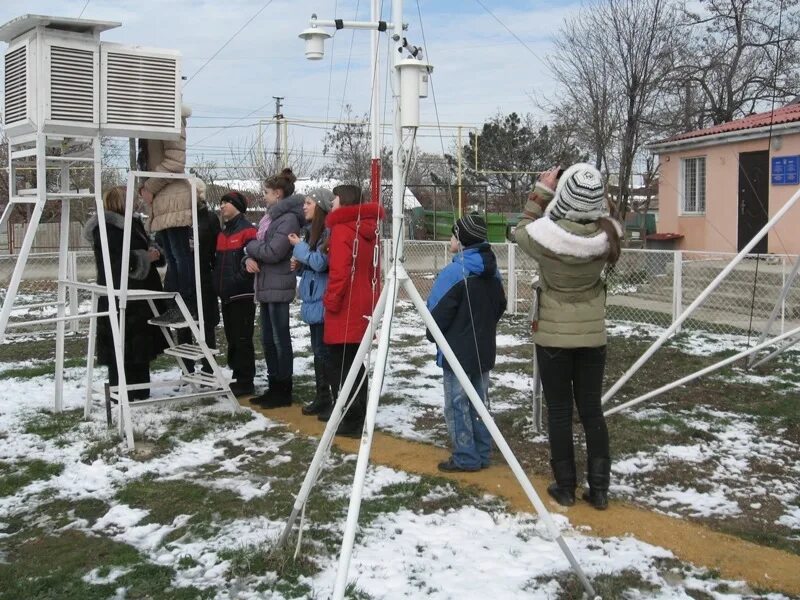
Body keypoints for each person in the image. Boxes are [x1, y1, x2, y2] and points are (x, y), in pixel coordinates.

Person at [513, 163, 622, 510]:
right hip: (593, 337)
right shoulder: (610, 238)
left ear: (564, 196)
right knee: (592, 411)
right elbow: (612, 217)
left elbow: (520, 229)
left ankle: (565, 486)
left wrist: (541, 191)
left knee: (559, 412)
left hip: (553, 337)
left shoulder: (546, 237)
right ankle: (600, 490)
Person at [426, 214, 506, 472]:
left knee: (457, 404)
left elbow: (435, 312)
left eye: (453, 234)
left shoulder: (454, 272)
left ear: (462, 240)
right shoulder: (494, 270)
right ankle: (482, 452)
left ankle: (466, 456)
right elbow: (499, 305)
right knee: (480, 401)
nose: (450, 239)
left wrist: (434, 335)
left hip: (456, 351)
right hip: (483, 348)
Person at [82, 186, 168, 400]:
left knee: (140, 345)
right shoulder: (107, 227)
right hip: (121, 293)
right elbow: (115, 262)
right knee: (119, 344)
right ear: (120, 201)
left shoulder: (134, 222)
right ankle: (121, 391)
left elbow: (146, 246)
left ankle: (140, 389)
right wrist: (145, 258)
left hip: (141, 294)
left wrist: (156, 253)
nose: (136, 201)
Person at [322, 185, 384, 437]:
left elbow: (340, 270)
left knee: (339, 362)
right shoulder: (368, 228)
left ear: (344, 201)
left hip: (345, 304)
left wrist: (331, 301)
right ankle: (357, 413)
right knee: (355, 362)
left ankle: (351, 416)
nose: (332, 203)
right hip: (362, 301)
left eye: (335, 198)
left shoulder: (342, 229)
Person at [245, 168, 304, 407]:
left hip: (278, 284)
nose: (264, 197)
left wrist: (249, 246)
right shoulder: (270, 218)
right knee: (268, 338)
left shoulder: (288, 219)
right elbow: (261, 249)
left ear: (278, 194)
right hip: (265, 283)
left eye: (267, 193)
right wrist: (247, 256)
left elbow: (274, 251)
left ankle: (283, 388)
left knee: (280, 338)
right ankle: (273, 385)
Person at [138, 103, 196, 325]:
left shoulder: (172, 116)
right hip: (163, 199)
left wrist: (149, 187)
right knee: (173, 258)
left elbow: (175, 163)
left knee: (180, 257)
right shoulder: (156, 118)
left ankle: (186, 306)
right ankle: (176, 307)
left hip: (173, 198)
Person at [288, 188, 334, 416]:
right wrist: (301, 265)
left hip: (324, 301)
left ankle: (333, 398)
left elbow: (321, 263)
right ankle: (322, 397)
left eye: (308, 202)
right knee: (318, 351)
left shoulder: (328, 233)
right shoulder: (312, 233)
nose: (304, 207)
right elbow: (312, 264)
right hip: (314, 300)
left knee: (325, 352)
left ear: (320, 206)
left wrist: (301, 249)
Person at [213, 190, 257, 397]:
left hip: (242, 294)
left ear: (238, 206)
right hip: (226, 295)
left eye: (227, 203)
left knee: (242, 337)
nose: (222, 206)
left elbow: (251, 258)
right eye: (221, 203)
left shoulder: (248, 231)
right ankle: (237, 375)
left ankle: (246, 380)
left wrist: (239, 280)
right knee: (232, 336)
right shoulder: (222, 234)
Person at [175, 178, 221, 373]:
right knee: (183, 324)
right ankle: (187, 368)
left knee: (206, 323)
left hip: (203, 275)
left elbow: (215, 247)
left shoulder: (209, 218)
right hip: (181, 277)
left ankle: (209, 366)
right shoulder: (177, 216)